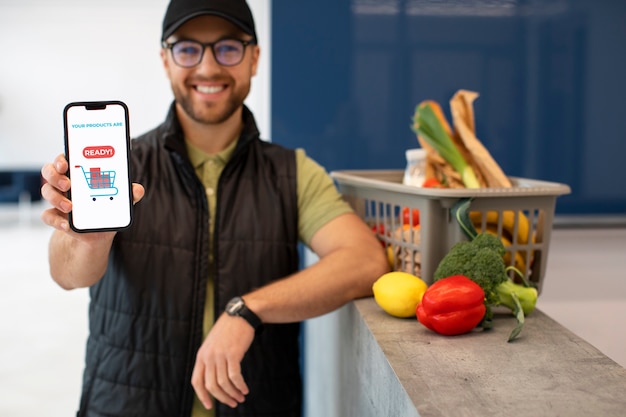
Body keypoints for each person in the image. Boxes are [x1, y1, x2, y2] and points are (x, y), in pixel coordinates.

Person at [40, 0, 388, 416]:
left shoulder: (293, 173)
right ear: (165, 60)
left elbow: (365, 261)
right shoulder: (124, 165)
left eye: (228, 48)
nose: (207, 68)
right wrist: (89, 239)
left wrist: (248, 310)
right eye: (188, 49)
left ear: (254, 58)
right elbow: (67, 276)